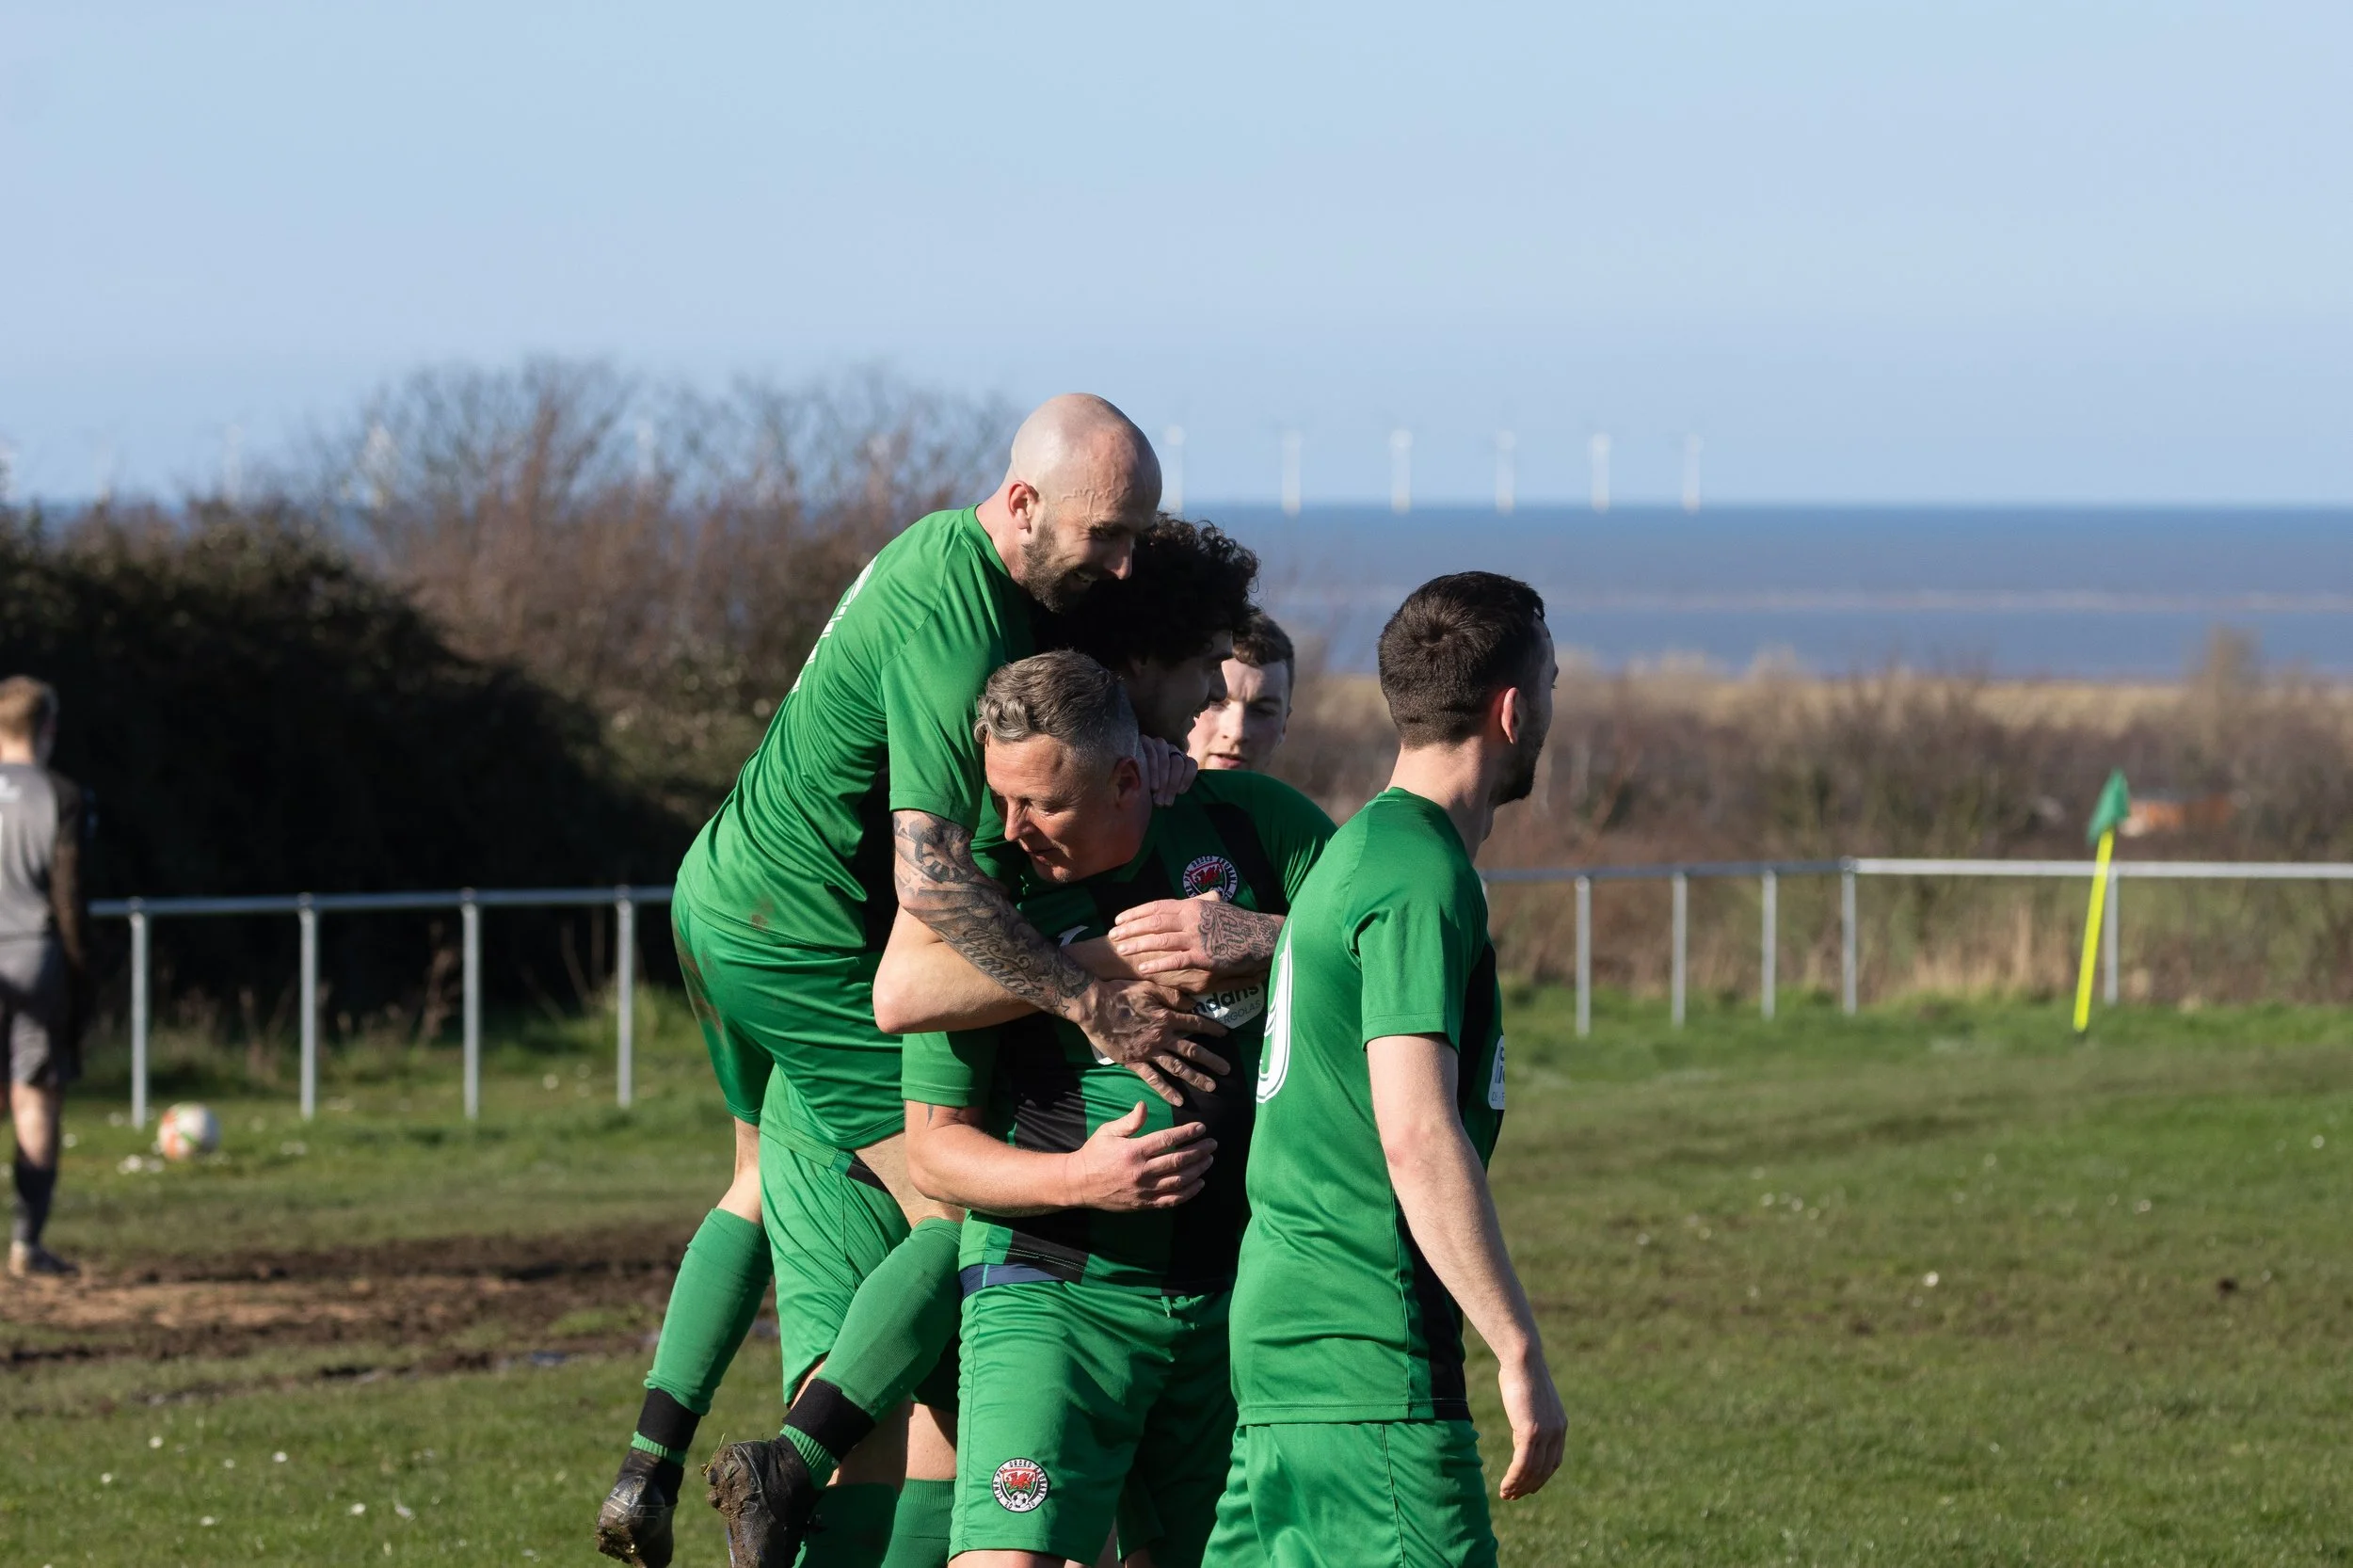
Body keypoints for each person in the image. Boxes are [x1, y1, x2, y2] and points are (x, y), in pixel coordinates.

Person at [597, 394, 1222, 1568]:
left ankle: (650, 1462)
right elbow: (932, 881)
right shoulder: (955, 610)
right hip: (799, 938)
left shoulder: (955, 565)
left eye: (1140, 533)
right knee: (978, 1209)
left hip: (723, 898)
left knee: (749, 1183)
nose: (1126, 560)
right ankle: (792, 1466)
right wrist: (1090, 994)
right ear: (1024, 504)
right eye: (1108, 535)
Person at [742, 520, 1269, 1568]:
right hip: (810, 994)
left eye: (1259, 698)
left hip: (1198, 1292)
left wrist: (1252, 935)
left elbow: (1387, 933)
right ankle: (800, 1455)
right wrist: (1097, 977)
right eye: (1208, 665)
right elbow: (907, 991)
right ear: (1139, 667)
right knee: (951, 1251)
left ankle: (790, 1457)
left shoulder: (1231, 822)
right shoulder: (999, 862)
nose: (1221, 695)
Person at [889, 651, 1335, 1568]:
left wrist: (1259, 936)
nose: (1010, 830)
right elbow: (934, 1154)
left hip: (1234, 1296)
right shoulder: (994, 904)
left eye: (1040, 803)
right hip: (1054, 1286)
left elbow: (1404, 946)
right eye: (998, 798)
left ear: (1130, 777)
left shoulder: (1253, 829)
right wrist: (1080, 1176)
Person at [1206, 572, 1569, 1568]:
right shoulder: (1417, 879)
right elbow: (1413, 1131)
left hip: (1283, 1359)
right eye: (1549, 685)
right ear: (1510, 709)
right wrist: (1519, 1348)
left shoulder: (1354, 854)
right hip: (1368, 1367)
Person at [0, 677, 94, 1280]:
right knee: (35, 1098)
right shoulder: (62, 796)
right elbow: (70, 895)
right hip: (35, 956)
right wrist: (84, 972)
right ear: (48, 728)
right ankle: (27, 1245)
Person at [1185, 610, 1294, 776]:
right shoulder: (1134, 797)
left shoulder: (1291, 802)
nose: (1237, 732)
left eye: (1262, 711)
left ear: (1284, 726)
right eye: (1216, 703)